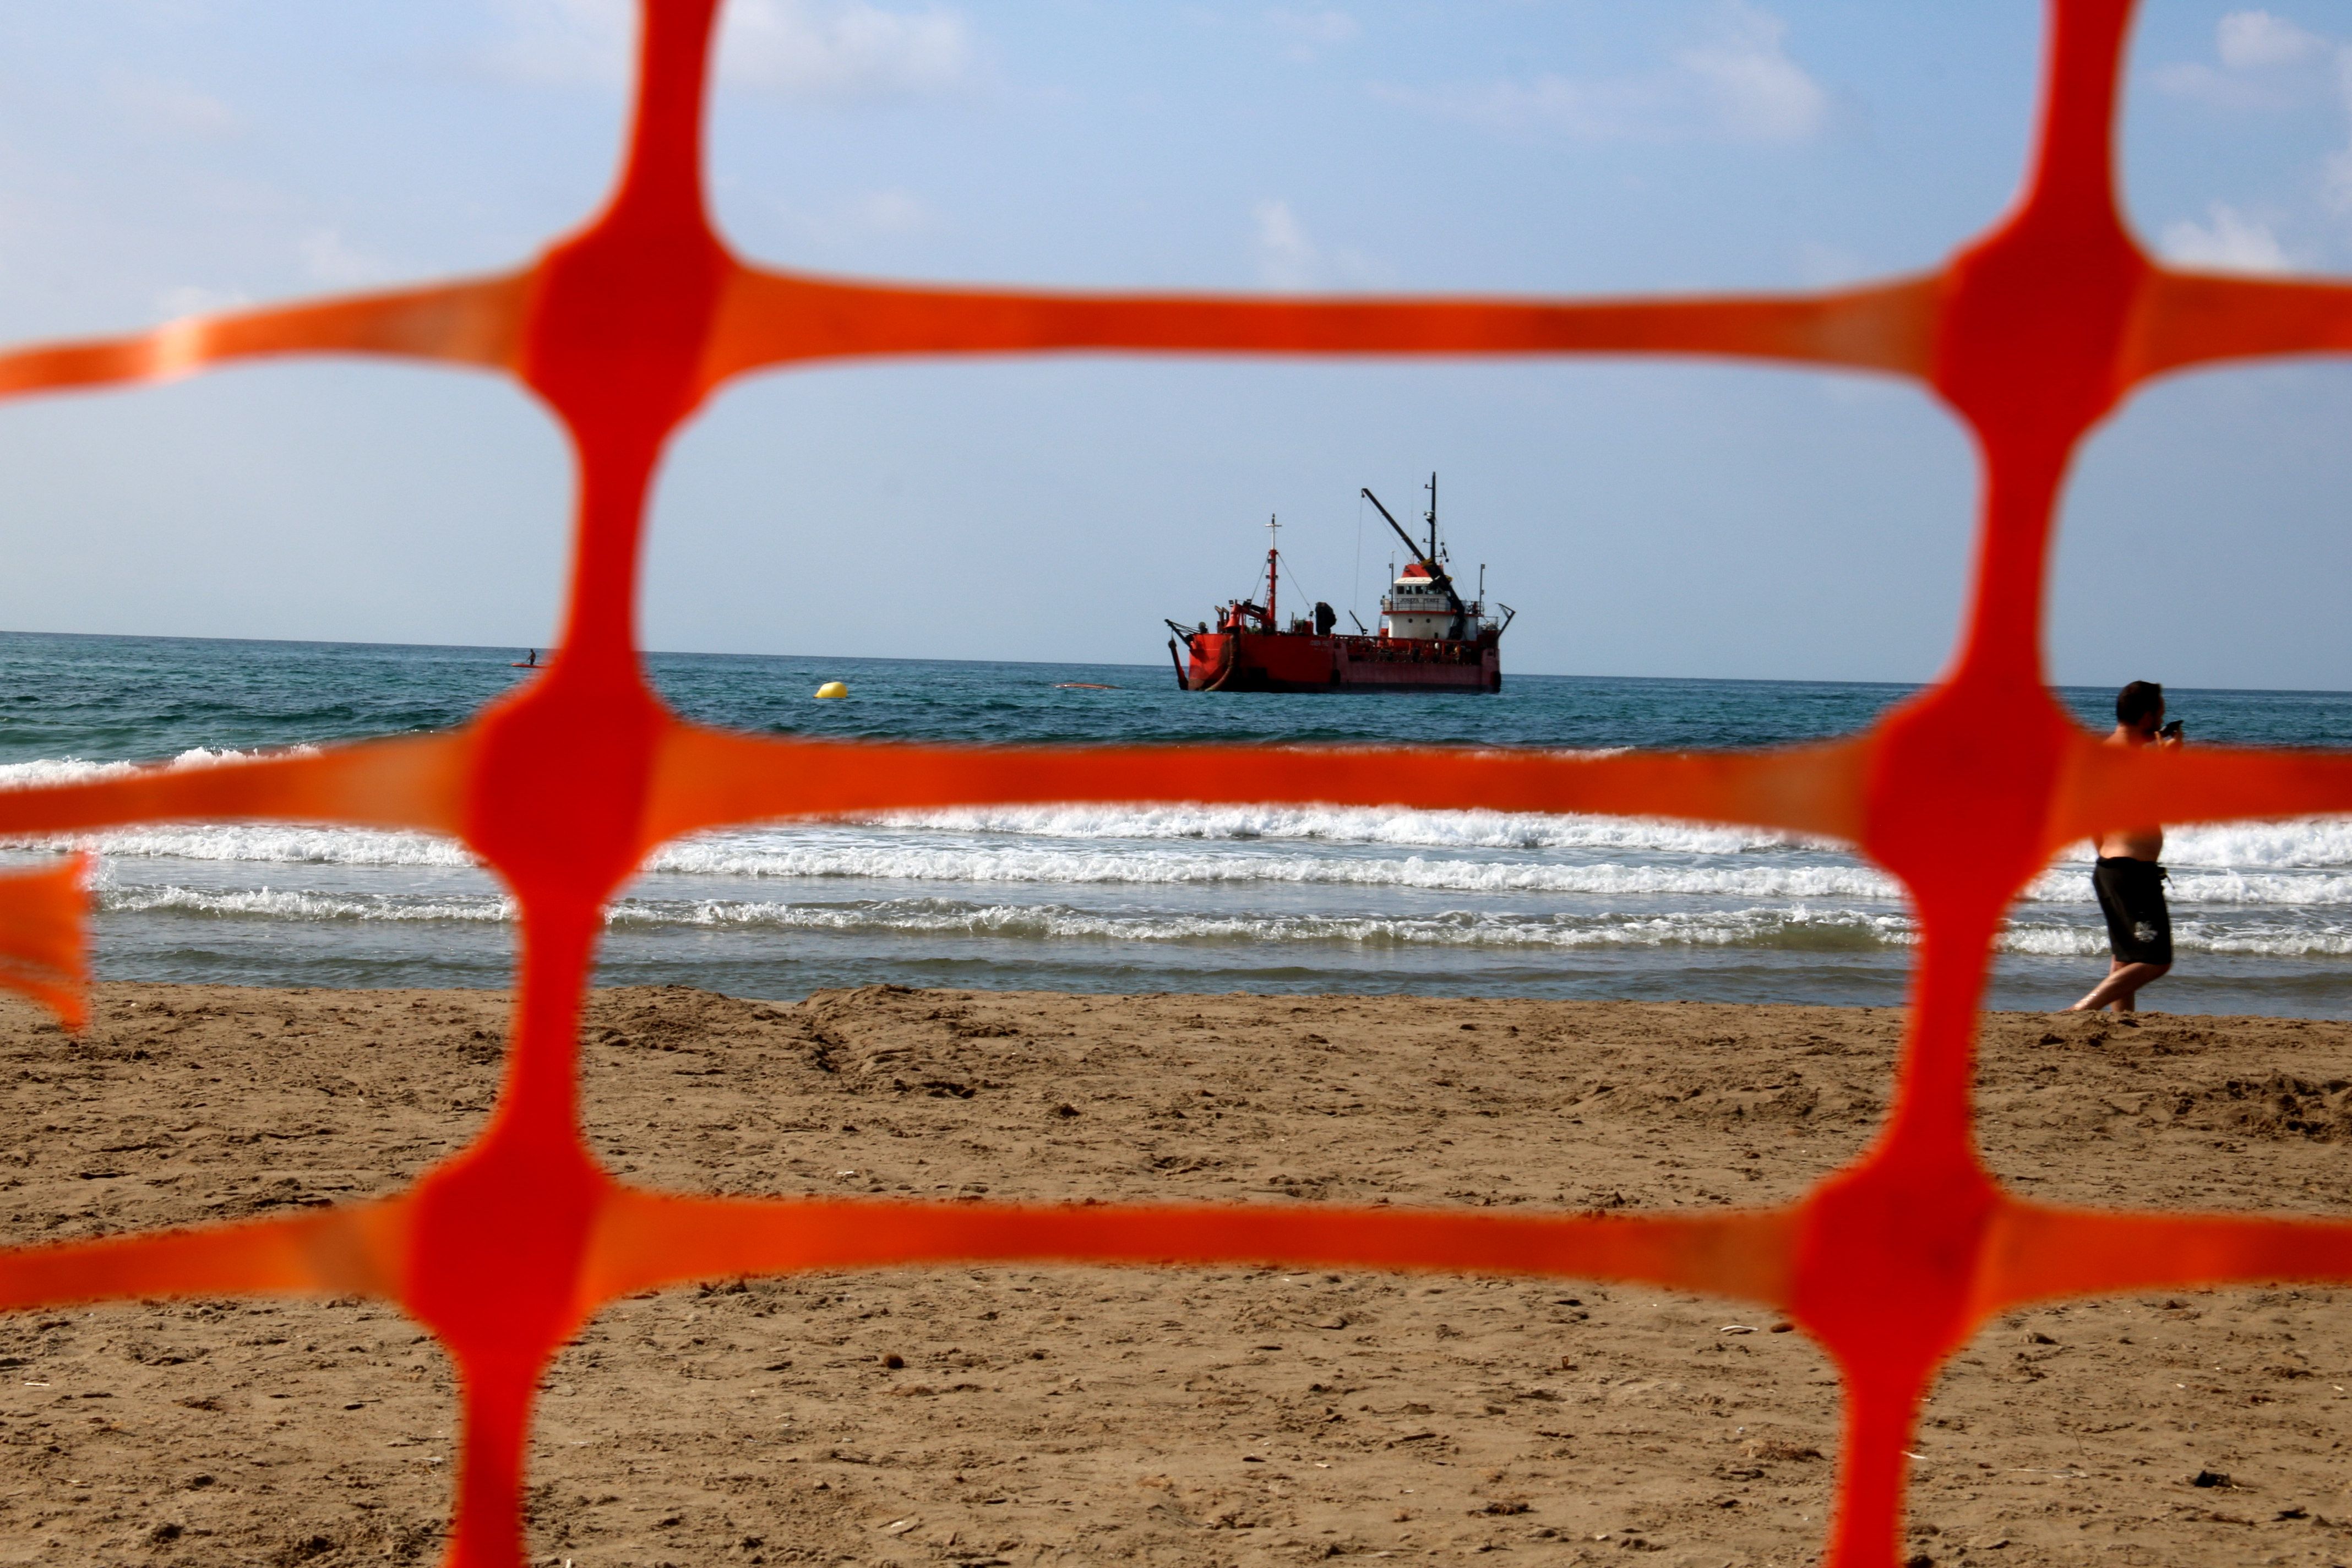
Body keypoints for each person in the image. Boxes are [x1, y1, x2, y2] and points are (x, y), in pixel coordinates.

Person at [2066, 680, 2182, 1013]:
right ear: (2147, 718)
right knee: (2156, 961)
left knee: (2124, 960)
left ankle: (2122, 1025)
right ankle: (2082, 1011)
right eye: (2160, 715)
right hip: (2131, 874)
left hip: (2110, 869)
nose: (2162, 723)